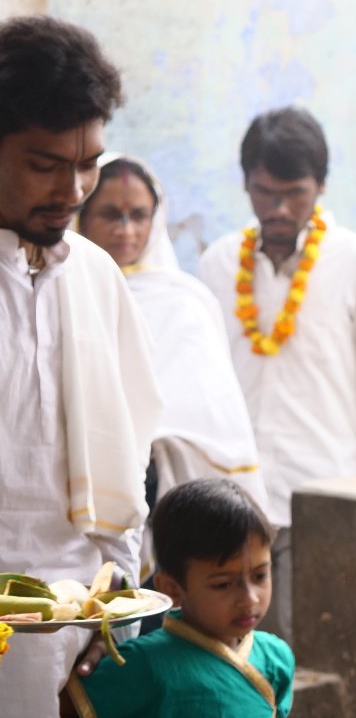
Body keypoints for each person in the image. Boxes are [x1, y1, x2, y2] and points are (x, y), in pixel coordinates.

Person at [0, 15, 162, 718]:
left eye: (87, 163)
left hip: (78, 634)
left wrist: (116, 609)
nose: (72, 190)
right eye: (43, 164)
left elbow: (130, 454)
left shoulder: (97, 277)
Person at [197, 106, 356, 640]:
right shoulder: (217, 264)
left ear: (320, 186)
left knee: (315, 653)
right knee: (234, 654)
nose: (277, 208)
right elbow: (201, 384)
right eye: (263, 192)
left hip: (322, 495)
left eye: (294, 193)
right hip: (232, 500)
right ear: (245, 184)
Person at [61, 478, 299, 718]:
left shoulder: (275, 657)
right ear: (172, 588)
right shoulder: (145, 665)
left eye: (260, 575)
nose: (250, 598)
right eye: (223, 584)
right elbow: (61, 716)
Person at [80, 154, 268, 566]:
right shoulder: (64, 293)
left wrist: (149, 448)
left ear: (156, 219)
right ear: (82, 215)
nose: (126, 230)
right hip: (81, 493)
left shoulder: (187, 302)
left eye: (138, 215)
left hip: (170, 495)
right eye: (110, 215)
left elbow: (213, 414)